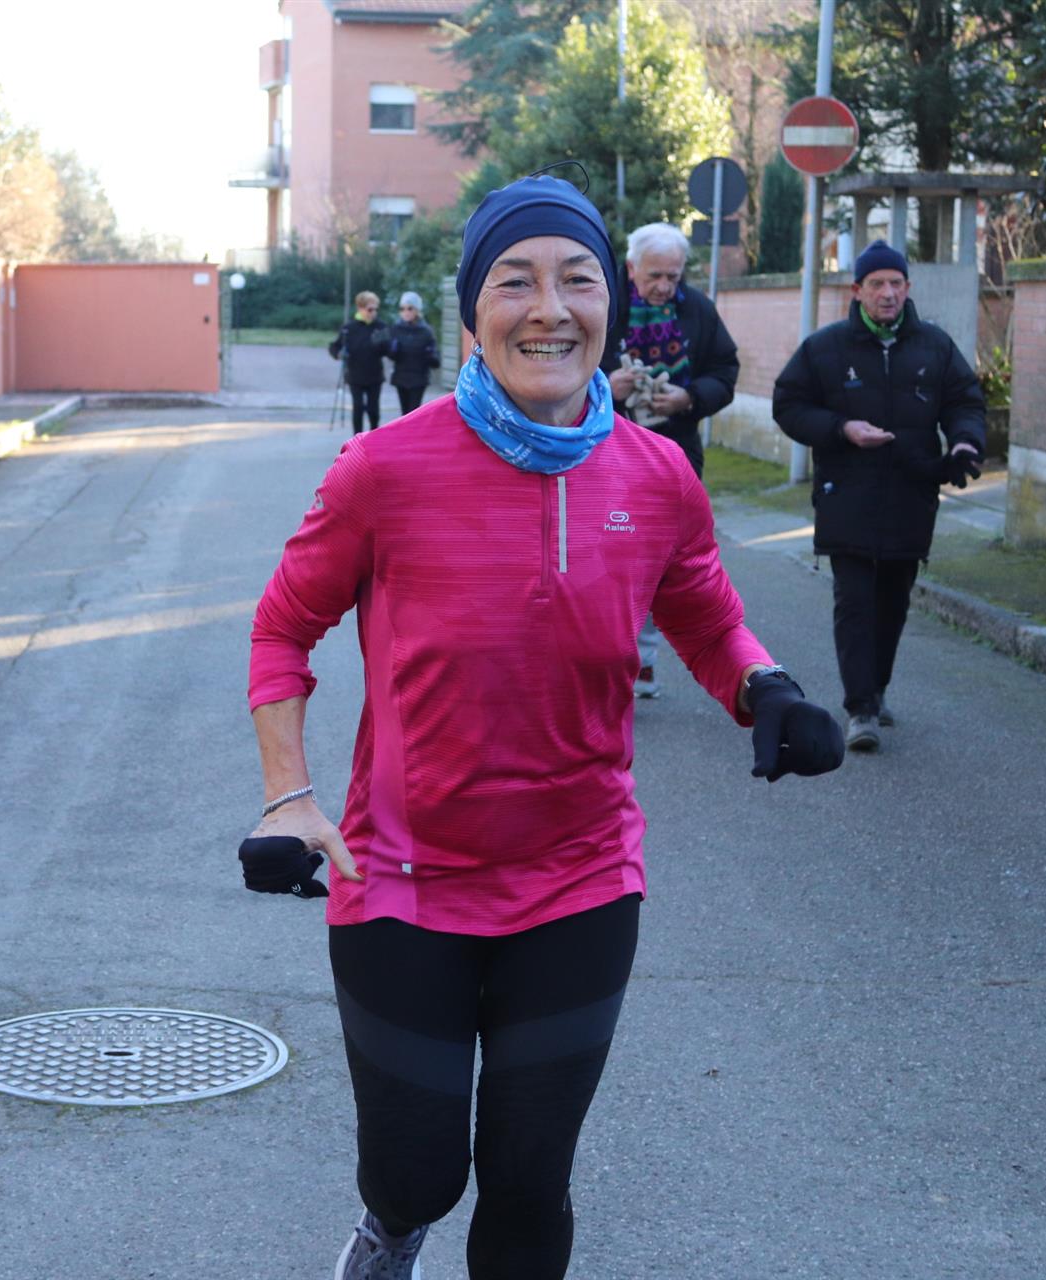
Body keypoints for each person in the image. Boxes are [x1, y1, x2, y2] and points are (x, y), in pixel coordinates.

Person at [241, 174, 843, 1280]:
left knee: (529, 1181)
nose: (550, 309)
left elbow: (708, 616)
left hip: (581, 878)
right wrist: (289, 796)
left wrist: (768, 689)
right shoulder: (385, 469)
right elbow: (284, 625)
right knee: (418, 1172)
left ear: (611, 302)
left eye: (578, 280)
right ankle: (392, 1227)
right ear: (471, 315)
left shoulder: (658, 476)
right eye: (515, 282)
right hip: (403, 879)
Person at [771, 240, 987, 753]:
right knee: (854, 604)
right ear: (858, 291)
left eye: (896, 283)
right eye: (877, 284)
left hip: (912, 495)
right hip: (846, 494)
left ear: (907, 288)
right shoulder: (826, 348)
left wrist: (964, 441)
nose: (888, 293)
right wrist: (842, 428)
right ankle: (860, 709)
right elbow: (789, 404)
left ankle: (877, 689)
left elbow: (965, 401)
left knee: (892, 604)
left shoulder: (934, 346)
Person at [599, 222, 741, 701]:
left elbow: (725, 370)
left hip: (674, 451)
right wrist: (605, 386)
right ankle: (605, 655)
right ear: (631, 268)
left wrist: (689, 397)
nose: (664, 286)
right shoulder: (603, 304)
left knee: (660, 557)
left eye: (673, 277)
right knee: (607, 555)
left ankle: (642, 658)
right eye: (654, 276)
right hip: (606, 448)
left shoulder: (696, 309)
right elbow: (562, 366)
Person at [329, 291, 389, 433]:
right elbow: (334, 346)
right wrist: (339, 354)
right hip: (355, 375)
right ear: (360, 308)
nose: (373, 313)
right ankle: (357, 438)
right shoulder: (349, 328)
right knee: (358, 407)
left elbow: (387, 350)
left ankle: (374, 436)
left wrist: (383, 344)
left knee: (373, 410)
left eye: (375, 309)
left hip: (374, 375)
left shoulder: (381, 326)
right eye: (370, 309)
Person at [385, 290, 440, 416]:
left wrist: (431, 356)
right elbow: (390, 355)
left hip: (418, 378)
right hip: (401, 377)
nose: (406, 312)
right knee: (404, 414)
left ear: (417, 310)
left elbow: (436, 361)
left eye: (410, 308)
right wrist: (391, 350)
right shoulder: (396, 329)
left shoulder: (426, 331)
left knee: (414, 413)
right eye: (402, 308)